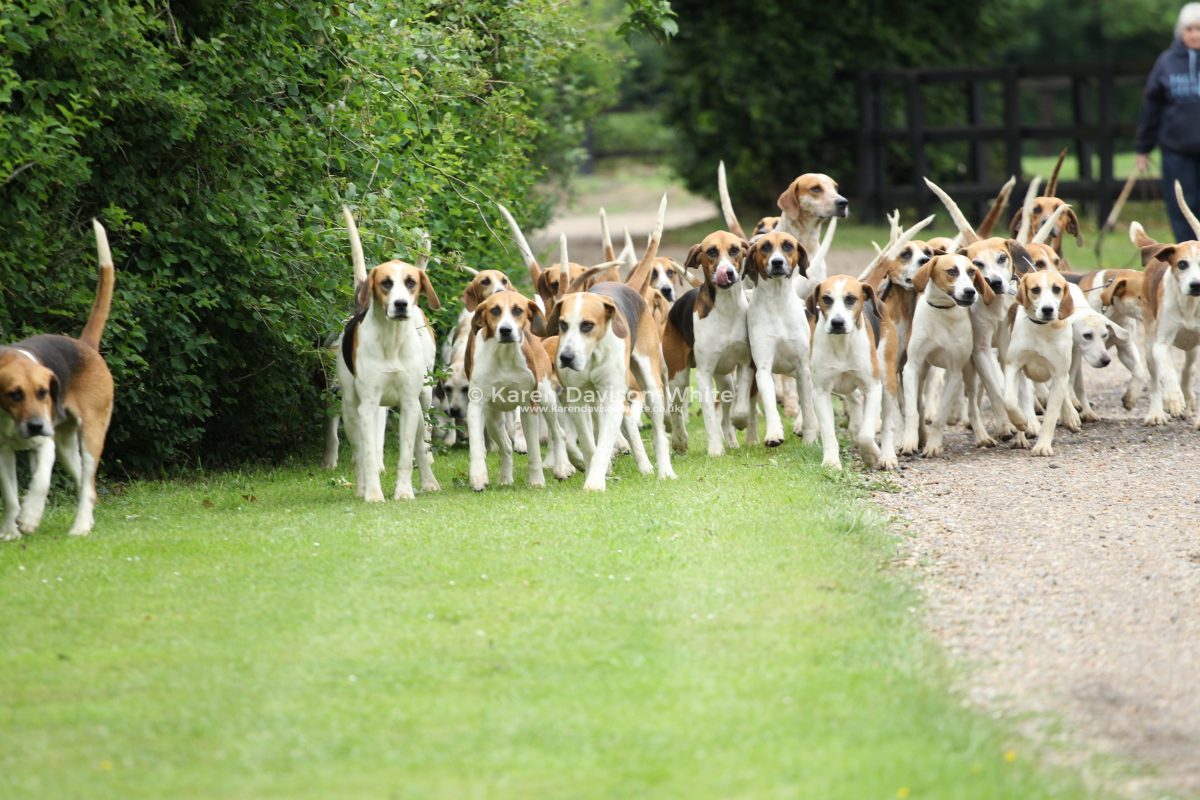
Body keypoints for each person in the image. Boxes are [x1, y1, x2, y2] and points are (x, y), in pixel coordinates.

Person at [1136, 3, 1200, 242]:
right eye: (1189, 29)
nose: (1194, 35)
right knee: (1182, 206)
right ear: (1180, 32)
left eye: (1199, 29)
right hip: (1176, 152)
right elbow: (1151, 106)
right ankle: (1187, 254)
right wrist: (1143, 147)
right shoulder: (1167, 62)